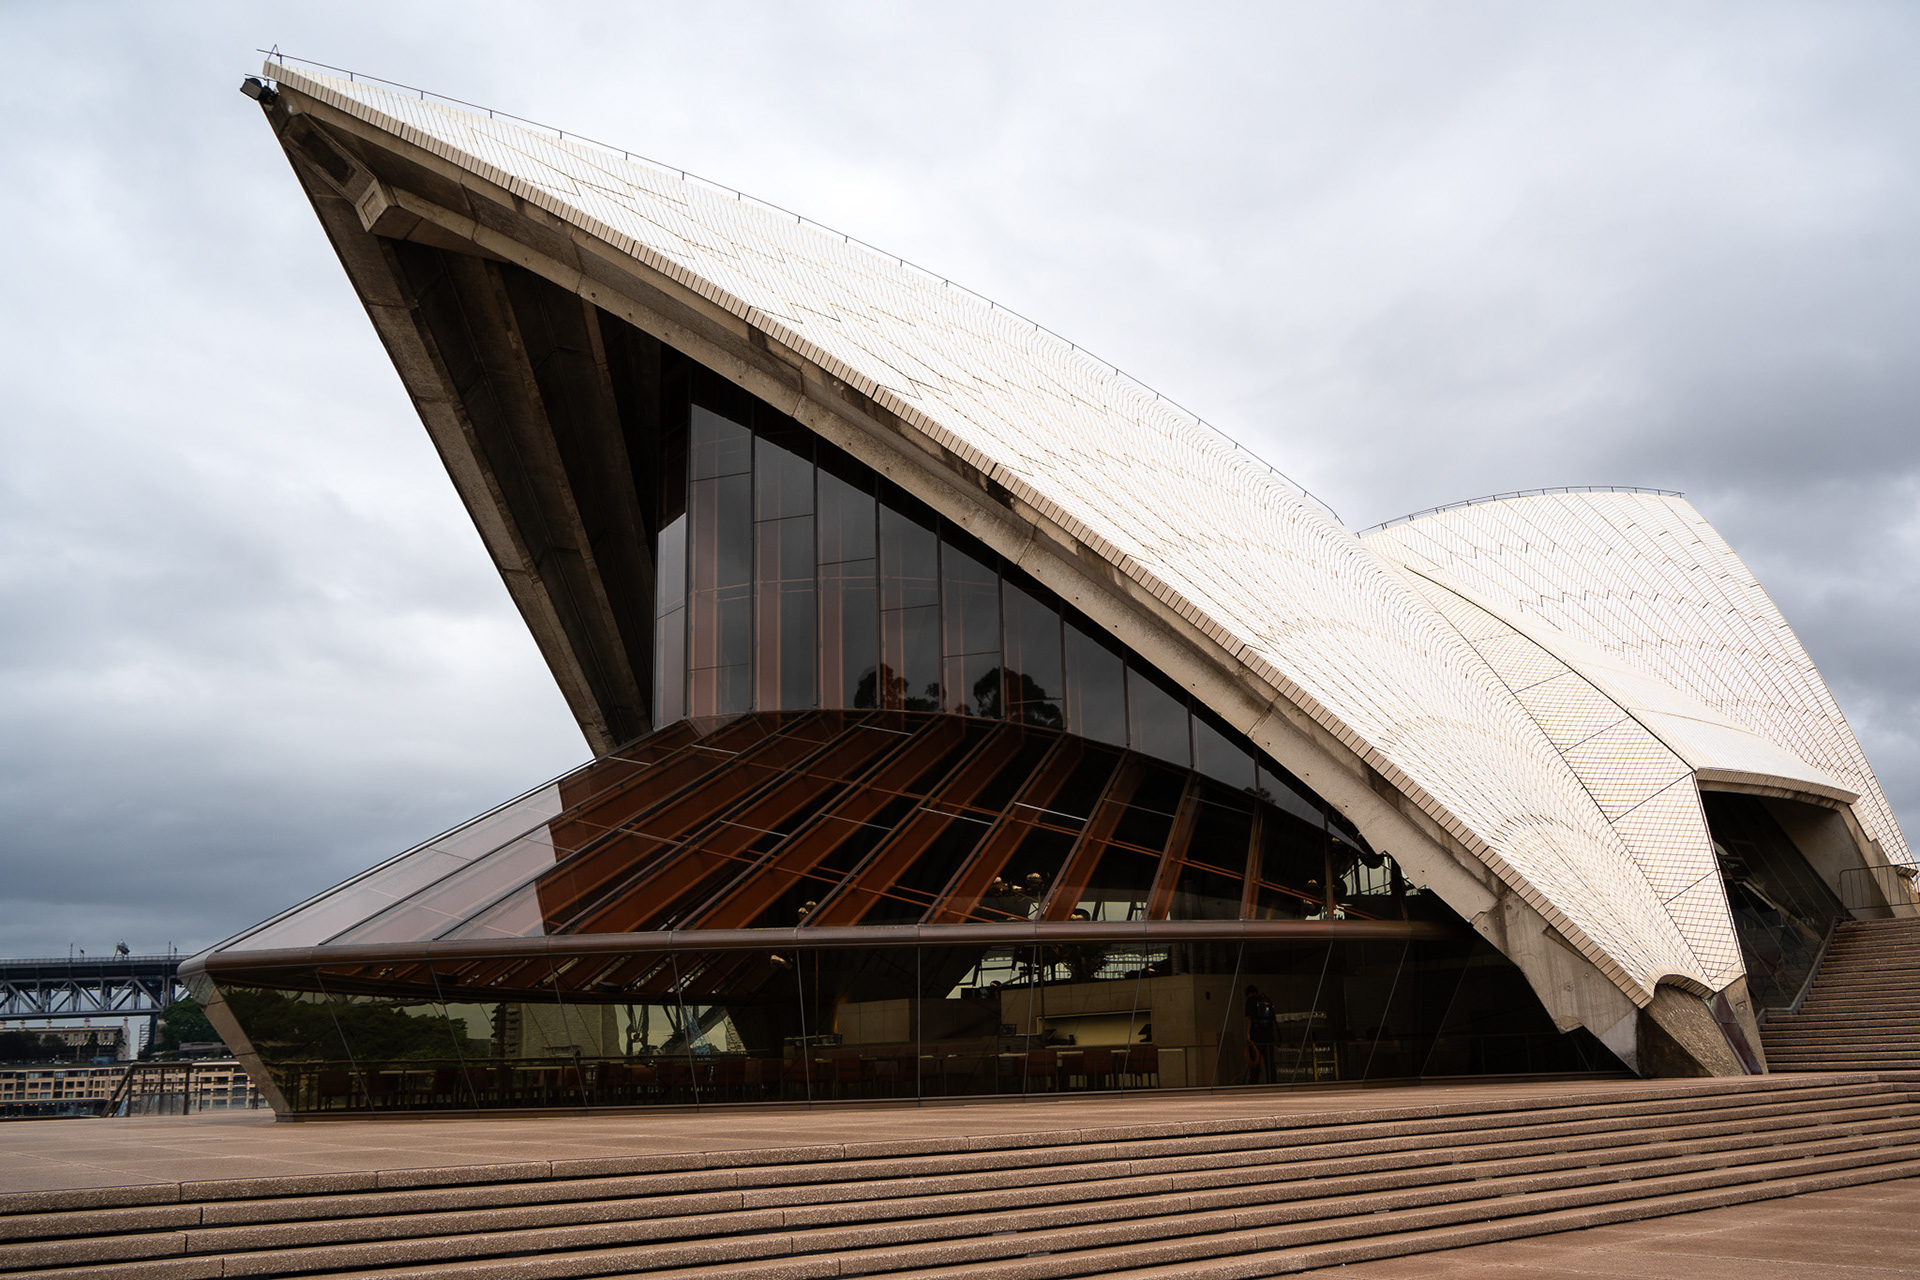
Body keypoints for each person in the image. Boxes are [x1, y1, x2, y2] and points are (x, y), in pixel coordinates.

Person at [1245, 985, 1277, 1084]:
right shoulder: (1266, 1000)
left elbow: (1249, 1018)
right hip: (1268, 1035)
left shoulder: (1250, 1002)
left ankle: (1254, 1082)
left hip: (1256, 1036)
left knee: (1255, 1060)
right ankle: (1272, 1081)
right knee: (1269, 1061)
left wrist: (1248, 1033)